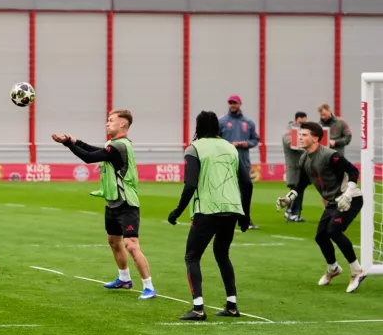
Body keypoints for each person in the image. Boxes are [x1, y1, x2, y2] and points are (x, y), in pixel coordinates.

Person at [51, 109, 155, 299]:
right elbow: (94, 150)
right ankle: (124, 279)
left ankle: (149, 286)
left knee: (131, 245)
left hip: (126, 203)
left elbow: (89, 157)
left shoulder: (120, 146)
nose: (107, 123)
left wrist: (67, 143)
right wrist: (75, 141)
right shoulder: (112, 144)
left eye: (111, 120)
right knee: (113, 241)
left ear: (122, 124)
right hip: (113, 202)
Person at [168, 111, 253, 321]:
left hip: (207, 209)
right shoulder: (230, 147)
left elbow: (190, 184)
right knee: (222, 254)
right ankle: (232, 305)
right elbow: (247, 183)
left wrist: (177, 211)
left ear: (197, 126)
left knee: (192, 256)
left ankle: (198, 308)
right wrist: (245, 215)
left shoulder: (194, 148)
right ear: (218, 127)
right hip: (232, 209)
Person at [275, 122, 366, 293]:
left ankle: (357, 270)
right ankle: (333, 269)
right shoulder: (304, 158)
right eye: (300, 135)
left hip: (351, 198)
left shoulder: (330, 155)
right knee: (320, 236)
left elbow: (353, 171)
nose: (300, 137)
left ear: (315, 138)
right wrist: (289, 198)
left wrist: (348, 194)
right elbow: (301, 183)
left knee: (333, 230)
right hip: (333, 202)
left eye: (304, 135)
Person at [219, 95, 260, 230]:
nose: (232, 105)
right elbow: (216, 139)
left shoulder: (248, 122)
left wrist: (245, 143)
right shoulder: (222, 121)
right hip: (226, 162)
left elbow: (255, 139)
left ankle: (245, 219)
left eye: (234, 103)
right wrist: (229, 144)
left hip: (243, 161)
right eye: (230, 103)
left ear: (240, 104)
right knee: (226, 191)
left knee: (245, 191)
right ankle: (226, 219)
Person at [281, 112, 308, 222]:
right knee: (297, 190)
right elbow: (290, 143)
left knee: (298, 190)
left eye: (304, 122)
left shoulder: (302, 131)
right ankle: (292, 213)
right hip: (294, 165)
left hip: (302, 165)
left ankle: (291, 212)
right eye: (301, 122)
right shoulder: (290, 131)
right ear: (296, 120)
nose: (303, 124)